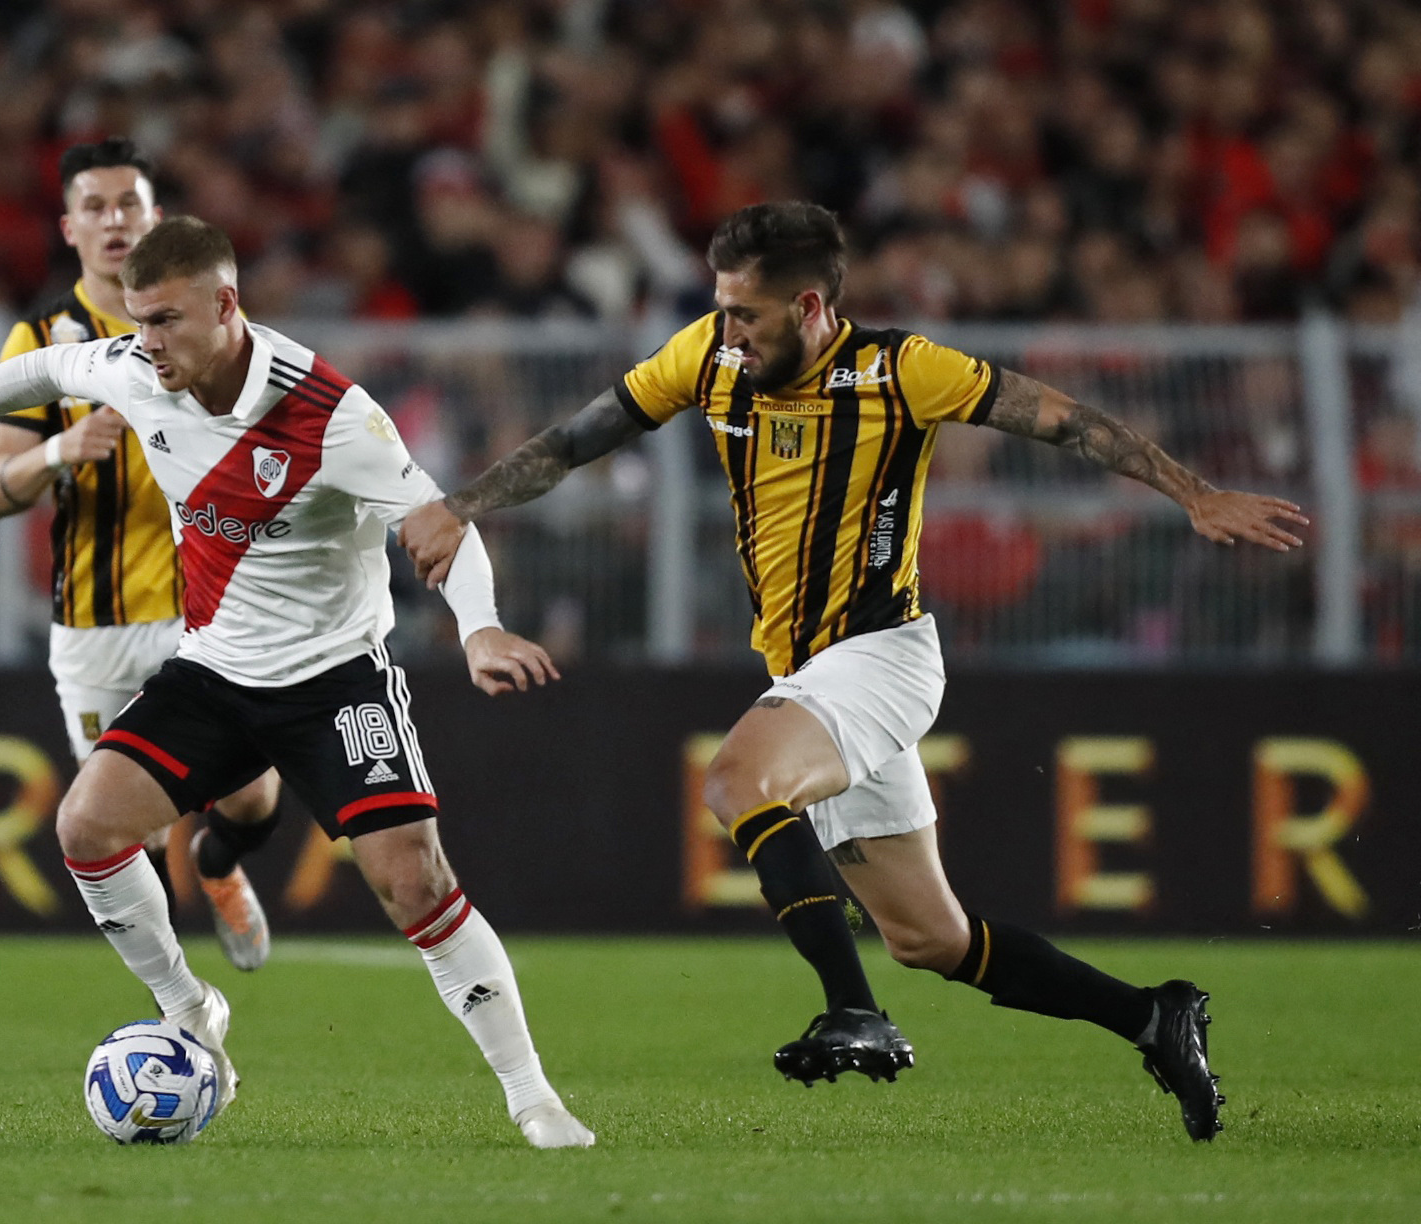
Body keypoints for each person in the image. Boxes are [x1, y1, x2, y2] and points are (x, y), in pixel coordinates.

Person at [400, 201, 1308, 1143]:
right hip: (812, 672)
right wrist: (464, 504)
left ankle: (854, 1008)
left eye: (746, 312)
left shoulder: (900, 369)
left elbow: (1064, 421)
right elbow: (580, 438)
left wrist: (1195, 493)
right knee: (932, 938)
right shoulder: (707, 358)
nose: (728, 329)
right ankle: (1155, 1019)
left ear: (808, 305)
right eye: (720, 306)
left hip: (882, 656)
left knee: (737, 778)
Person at [0, 216, 595, 1149]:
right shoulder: (129, 368)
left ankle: (533, 1098)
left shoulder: (333, 416)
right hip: (213, 672)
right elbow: (37, 374)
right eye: (136, 321)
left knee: (412, 882)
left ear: (226, 306)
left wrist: (478, 632)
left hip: (334, 682)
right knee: (86, 826)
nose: (145, 344)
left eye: (164, 322)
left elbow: (444, 525)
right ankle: (189, 1010)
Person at [0, 139, 278, 971]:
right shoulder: (42, 339)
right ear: (69, 227)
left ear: (157, 223)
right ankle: (178, 1012)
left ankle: (217, 863)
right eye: (96, 208)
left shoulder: (212, 329)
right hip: (97, 627)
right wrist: (58, 452)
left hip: (204, 616)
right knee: (123, 835)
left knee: (253, 795)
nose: (115, 221)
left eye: (130, 206)